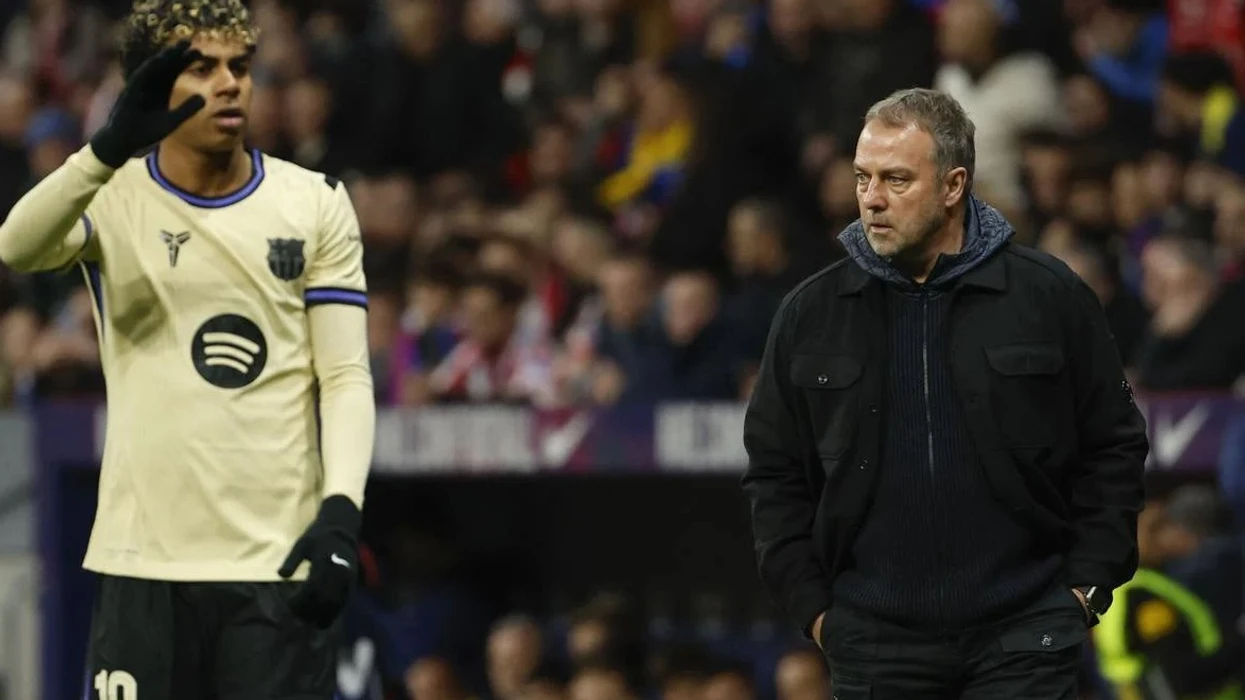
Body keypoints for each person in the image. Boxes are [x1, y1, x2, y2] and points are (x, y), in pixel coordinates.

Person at [0, 1, 374, 698]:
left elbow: (346, 377)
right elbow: (16, 245)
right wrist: (105, 149)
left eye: (240, 66)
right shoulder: (109, 195)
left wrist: (341, 514)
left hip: (275, 566)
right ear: (152, 83)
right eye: (201, 67)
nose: (229, 84)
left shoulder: (315, 202)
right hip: (142, 562)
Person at [741, 88, 1149, 699]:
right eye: (863, 177)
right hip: (875, 643)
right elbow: (774, 474)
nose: (871, 199)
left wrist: (1085, 588)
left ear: (954, 185)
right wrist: (817, 611)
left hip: (1026, 635)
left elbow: (1114, 444)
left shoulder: (1048, 296)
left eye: (896, 179)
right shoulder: (810, 312)